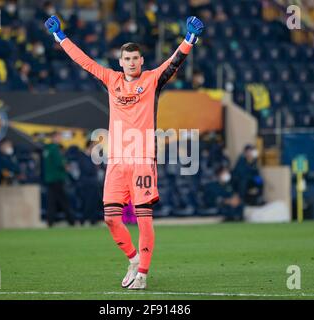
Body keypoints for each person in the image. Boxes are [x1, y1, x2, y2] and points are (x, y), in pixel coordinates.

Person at [44, 14, 204, 289]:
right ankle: (132, 258)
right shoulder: (111, 79)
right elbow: (84, 61)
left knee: (143, 219)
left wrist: (189, 39)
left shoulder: (153, 79)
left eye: (135, 59)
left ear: (142, 61)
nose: (131, 63)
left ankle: (142, 273)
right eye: (126, 59)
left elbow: (174, 62)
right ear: (120, 62)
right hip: (116, 161)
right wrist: (60, 36)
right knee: (109, 218)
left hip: (142, 160)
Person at [43, 131, 75, 227]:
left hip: (49, 178)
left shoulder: (47, 149)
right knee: (63, 200)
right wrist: (66, 167)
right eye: (59, 136)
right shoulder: (55, 148)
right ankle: (71, 221)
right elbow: (59, 163)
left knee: (51, 201)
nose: (60, 139)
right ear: (54, 137)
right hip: (57, 178)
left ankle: (50, 221)